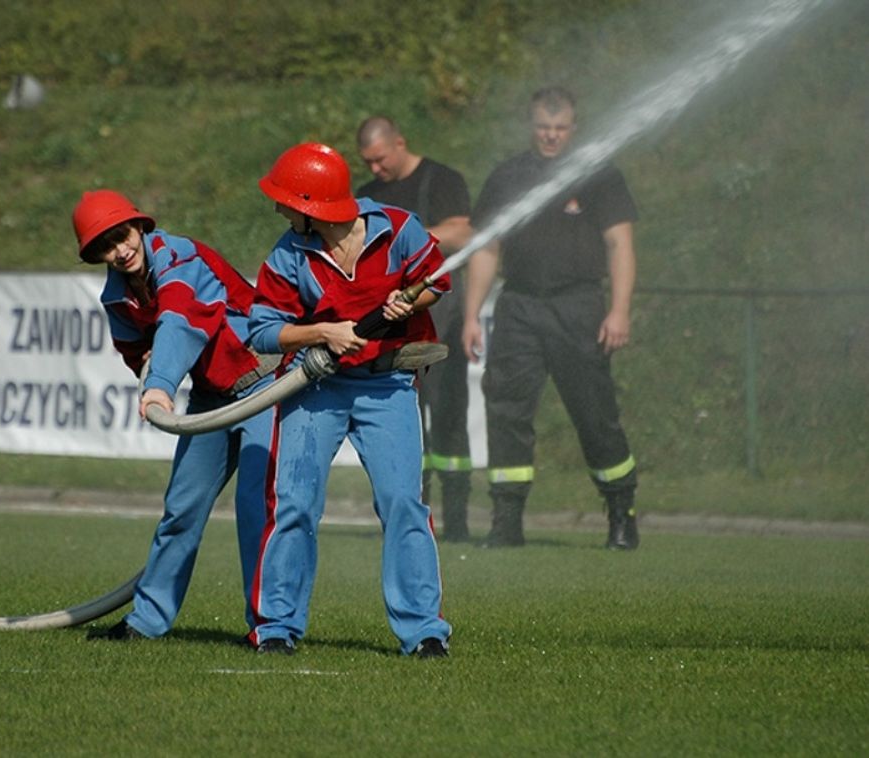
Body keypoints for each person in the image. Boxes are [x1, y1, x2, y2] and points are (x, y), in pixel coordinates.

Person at [247, 142, 453, 658]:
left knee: (404, 503)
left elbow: (438, 281)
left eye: (285, 201)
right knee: (294, 505)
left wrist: (410, 298)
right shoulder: (288, 254)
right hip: (315, 388)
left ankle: (424, 630)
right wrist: (322, 333)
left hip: (388, 387)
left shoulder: (399, 227)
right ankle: (277, 627)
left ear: (312, 205)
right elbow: (263, 331)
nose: (278, 210)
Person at [72, 190, 277, 642]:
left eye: (123, 236)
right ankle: (146, 622)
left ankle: (270, 627)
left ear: (140, 227)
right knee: (180, 510)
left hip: (264, 385)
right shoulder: (117, 296)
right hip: (209, 398)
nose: (120, 251)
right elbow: (134, 350)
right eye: (106, 246)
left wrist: (160, 386)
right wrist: (152, 374)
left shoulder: (180, 256)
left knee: (256, 508)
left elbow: (180, 321)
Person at [462, 86, 640, 551]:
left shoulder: (598, 174)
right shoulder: (508, 177)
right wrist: (471, 316)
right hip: (518, 306)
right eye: (543, 127)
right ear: (531, 124)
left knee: (595, 414)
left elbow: (620, 244)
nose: (551, 136)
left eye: (560, 129)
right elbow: (486, 248)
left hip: (578, 307)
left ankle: (621, 513)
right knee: (506, 409)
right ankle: (506, 522)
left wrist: (619, 310)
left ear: (574, 128)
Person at [356, 115, 475, 542]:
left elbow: (463, 233)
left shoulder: (442, 180)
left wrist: (408, 238)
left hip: (440, 316)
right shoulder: (367, 196)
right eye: (367, 162)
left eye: (381, 159)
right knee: (403, 421)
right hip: (390, 323)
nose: (375, 170)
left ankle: (458, 519)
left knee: (448, 416)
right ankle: (408, 517)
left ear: (400, 142)